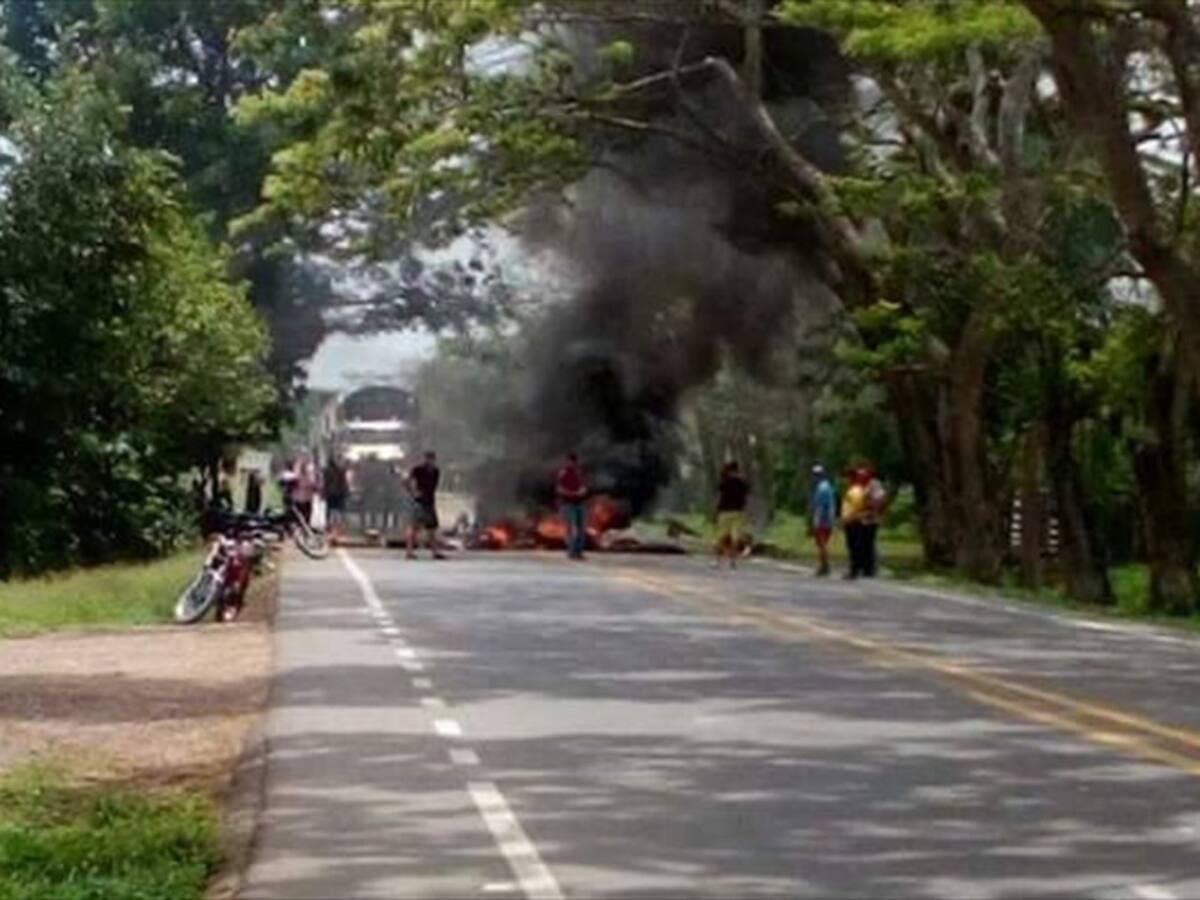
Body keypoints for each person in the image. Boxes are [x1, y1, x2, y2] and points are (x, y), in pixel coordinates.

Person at [407, 451, 446, 560]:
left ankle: (435, 551)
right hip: (419, 501)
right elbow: (408, 481)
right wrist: (414, 492)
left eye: (432, 460)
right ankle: (409, 551)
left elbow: (433, 487)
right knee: (414, 527)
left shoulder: (436, 472)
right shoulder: (418, 470)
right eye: (428, 459)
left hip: (430, 501)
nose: (430, 462)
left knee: (432, 528)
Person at [714, 460, 750, 569]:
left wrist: (715, 511)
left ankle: (720, 560)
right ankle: (732, 561)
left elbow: (718, 497)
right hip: (737, 512)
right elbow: (747, 498)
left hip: (725, 512)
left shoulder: (724, 482)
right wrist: (746, 511)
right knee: (735, 538)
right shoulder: (742, 483)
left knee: (722, 537)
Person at [556, 453, 588, 560]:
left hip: (580, 503)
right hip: (567, 503)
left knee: (581, 528)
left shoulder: (580, 473)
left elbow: (585, 487)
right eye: (570, 461)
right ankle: (571, 551)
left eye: (574, 462)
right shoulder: (563, 473)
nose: (572, 464)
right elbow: (559, 488)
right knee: (569, 528)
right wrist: (569, 493)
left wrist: (580, 492)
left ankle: (578, 551)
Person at [841, 467, 871, 579]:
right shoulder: (852, 490)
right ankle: (854, 569)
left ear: (850, 478)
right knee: (852, 546)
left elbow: (857, 508)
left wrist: (849, 518)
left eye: (845, 478)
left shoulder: (856, 491)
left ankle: (854, 570)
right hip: (851, 521)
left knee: (854, 546)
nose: (844, 480)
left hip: (854, 522)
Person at [809, 464, 837, 576]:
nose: (814, 477)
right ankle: (824, 565)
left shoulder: (822, 489)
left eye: (816, 475)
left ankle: (824, 566)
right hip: (828, 520)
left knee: (821, 544)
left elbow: (820, 507)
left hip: (822, 520)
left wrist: (816, 522)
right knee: (822, 544)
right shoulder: (828, 487)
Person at [863, 466, 888, 577]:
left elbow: (880, 498)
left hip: (872, 518)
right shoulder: (864, 484)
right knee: (866, 542)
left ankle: (871, 568)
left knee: (869, 542)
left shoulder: (874, 483)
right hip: (864, 517)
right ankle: (867, 566)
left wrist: (873, 510)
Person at [323, 454, 350, 546]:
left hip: (330, 494)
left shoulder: (327, 471)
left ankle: (331, 533)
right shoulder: (341, 470)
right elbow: (344, 483)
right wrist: (346, 493)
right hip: (339, 494)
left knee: (330, 513)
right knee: (337, 513)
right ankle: (335, 533)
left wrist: (323, 493)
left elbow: (325, 483)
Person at [291, 454, 319, 525]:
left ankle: (302, 530)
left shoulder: (308, 475)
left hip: (303, 499)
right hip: (301, 499)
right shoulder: (298, 476)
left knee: (302, 519)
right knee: (302, 519)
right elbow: (314, 486)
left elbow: (314, 486)